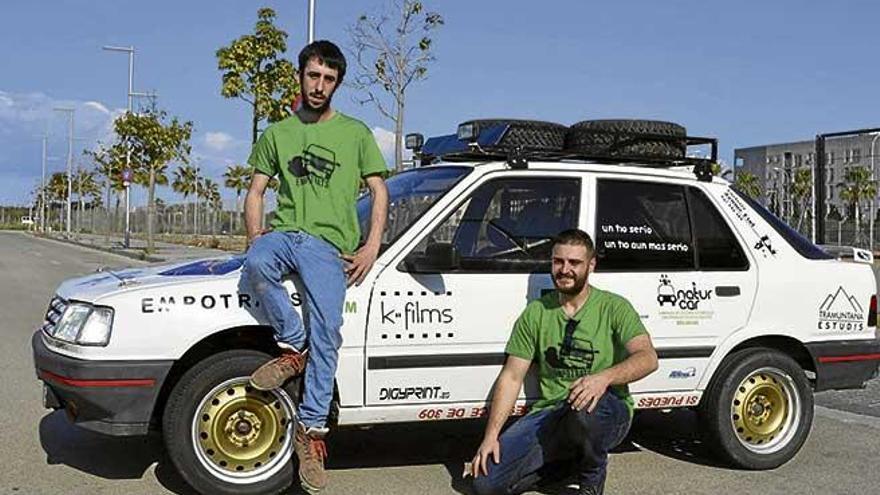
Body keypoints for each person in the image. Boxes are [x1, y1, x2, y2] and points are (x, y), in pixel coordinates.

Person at [243, 40, 388, 493]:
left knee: (330, 335)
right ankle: (292, 347)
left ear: (337, 83)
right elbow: (255, 191)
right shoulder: (278, 133)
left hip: (329, 246)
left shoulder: (356, 133)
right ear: (300, 76)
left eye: (328, 78)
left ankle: (312, 433)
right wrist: (254, 236)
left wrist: (370, 248)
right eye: (312, 75)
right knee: (257, 262)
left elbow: (379, 192)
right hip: (286, 234)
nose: (319, 85)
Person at [469, 229, 658, 495]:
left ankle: (591, 478)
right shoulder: (536, 312)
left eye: (575, 263)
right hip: (552, 414)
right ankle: (565, 467)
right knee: (485, 484)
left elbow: (648, 358)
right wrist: (491, 437)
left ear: (591, 265)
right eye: (559, 261)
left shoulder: (614, 307)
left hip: (606, 411)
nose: (565, 269)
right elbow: (511, 377)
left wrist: (603, 379)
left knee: (584, 410)